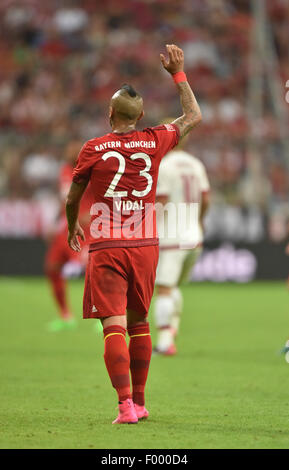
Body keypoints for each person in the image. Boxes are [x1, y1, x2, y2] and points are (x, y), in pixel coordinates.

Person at [65, 44, 202, 424]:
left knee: (114, 326)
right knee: (140, 323)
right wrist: (178, 74)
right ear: (141, 115)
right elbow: (193, 115)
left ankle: (125, 406)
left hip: (107, 244)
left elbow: (73, 195)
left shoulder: (93, 148)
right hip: (144, 244)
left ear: (109, 114)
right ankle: (140, 403)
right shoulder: (155, 139)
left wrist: (72, 220)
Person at [153, 132, 210, 355]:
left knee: (164, 289)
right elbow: (206, 199)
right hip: (193, 237)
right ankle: (173, 329)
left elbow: (162, 201)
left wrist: (148, 227)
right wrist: (198, 221)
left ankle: (165, 342)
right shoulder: (196, 164)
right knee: (174, 285)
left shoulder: (165, 165)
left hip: (171, 237)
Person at [45, 140, 93, 332]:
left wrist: (94, 213)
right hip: (66, 227)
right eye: (68, 148)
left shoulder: (92, 171)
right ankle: (65, 315)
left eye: (73, 149)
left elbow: (105, 195)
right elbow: (66, 200)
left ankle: (103, 317)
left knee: (95, 271)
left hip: (86, 228)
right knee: (52, 267)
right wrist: (54, 222)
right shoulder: (64, 170)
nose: (69, 151)